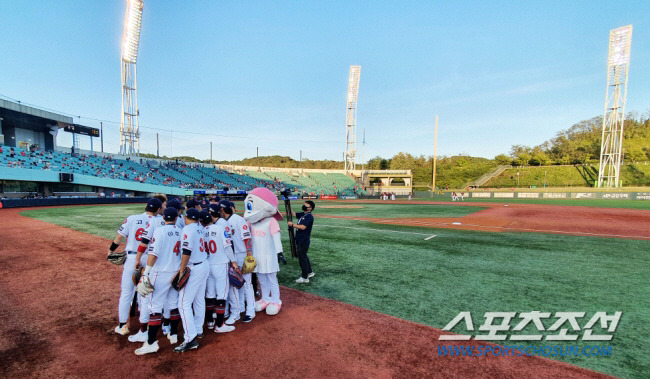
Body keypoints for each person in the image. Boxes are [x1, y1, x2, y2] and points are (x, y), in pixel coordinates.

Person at [107, 198, 163, 336]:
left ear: (145, 207)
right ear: (158, 209)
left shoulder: (132, 218)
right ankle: (144, 326)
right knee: (145, 292)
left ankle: (122, 326)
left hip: (132, 257)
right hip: (151, 258)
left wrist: (111, 251)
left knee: (126, 293)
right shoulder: (160, 221)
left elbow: (119, 238)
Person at [134, 208, 182, 355]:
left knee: (154, 306)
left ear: (163, 218)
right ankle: (173, 334)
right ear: (176, 218)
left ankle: (151, 342)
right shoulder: (181, 230)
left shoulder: (159, 231)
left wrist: (146, 272)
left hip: (160, 272)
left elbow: (153, 254)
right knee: (173, 303)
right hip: (175, 272)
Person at [174, 208, 210, 352]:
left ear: (186, 217)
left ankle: (190, 339)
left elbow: (186, 251)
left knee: (183, 303)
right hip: (204, 264)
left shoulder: (188, 229)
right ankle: (198, 329)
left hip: (194, 267)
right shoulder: (201, 227)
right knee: (199, 299)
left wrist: (182, 269)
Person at [204, 205, 237, 333]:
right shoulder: (219, 228)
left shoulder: (201, 230)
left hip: (208, 264)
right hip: (220, 264)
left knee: (210, 294)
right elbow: (228, 247)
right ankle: (219, 325)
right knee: (222, 295)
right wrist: (234, 262)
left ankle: (210, 322)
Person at [289, 201, 315, 284]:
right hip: (300, 239)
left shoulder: (309, 216)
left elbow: (303, 227)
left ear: (310, 208)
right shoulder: (303, 214)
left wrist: (292, 225)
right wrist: (288, 206)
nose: (304, 205)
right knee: (304, 256)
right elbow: (293, 214)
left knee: (302, 258)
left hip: (303, 240)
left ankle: (305, 277)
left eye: (306, 205)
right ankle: (310, 272)